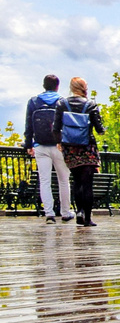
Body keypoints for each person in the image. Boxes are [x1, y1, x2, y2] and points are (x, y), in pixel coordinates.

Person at [24, 74, 73, 223]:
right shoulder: (63, 102)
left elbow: (28, 125)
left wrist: (28, 145)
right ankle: (65, 213)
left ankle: (49, 214)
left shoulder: (33, 101)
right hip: (59, 146)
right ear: (57, 86)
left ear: (43, 85)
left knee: (44, 180)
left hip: (40, 146)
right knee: (64, 180)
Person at [61, 77, 105, 227]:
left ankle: (79, 210)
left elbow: (56, 127)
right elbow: (99, 129)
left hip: (70, 148)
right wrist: (102, 130)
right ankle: (87, 217)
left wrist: (60, 143)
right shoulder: (91, 104)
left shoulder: (62, 104)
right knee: (87, 184)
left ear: (72, 88)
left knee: (76, 181)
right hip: (87, 147)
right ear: (84, 88)